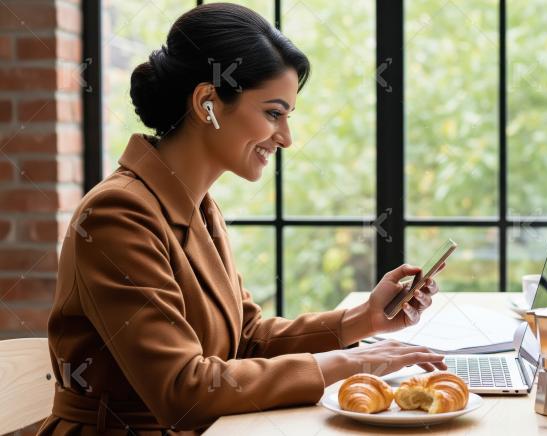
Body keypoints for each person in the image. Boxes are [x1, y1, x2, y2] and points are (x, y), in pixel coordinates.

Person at [38, 3, 445, 434]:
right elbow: (182, 390)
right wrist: (346, 363)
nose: (286, 138)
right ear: (207, 103)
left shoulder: (197, 204)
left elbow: (245, 338)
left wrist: (363, 320)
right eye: (273, 113)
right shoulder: (117, 215)